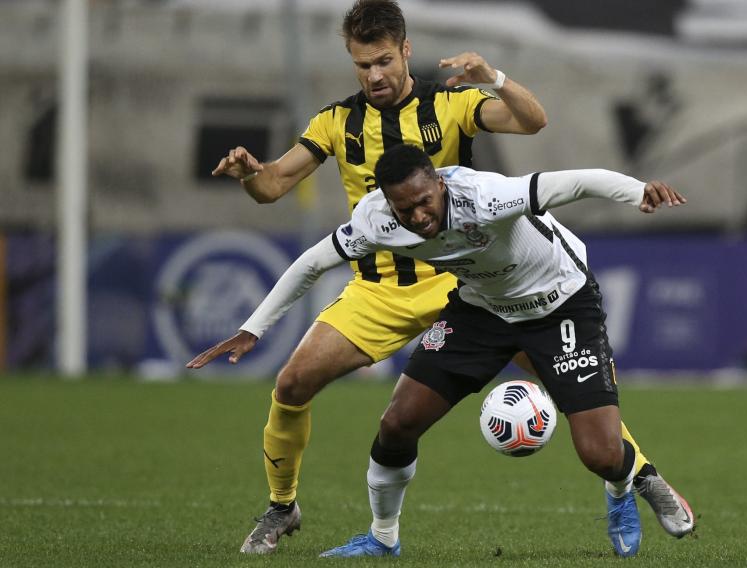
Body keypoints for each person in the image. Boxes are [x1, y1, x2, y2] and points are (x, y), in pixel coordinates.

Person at [199, 0, 691, 555]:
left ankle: (637, 474)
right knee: (293, 385)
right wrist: (249, 176)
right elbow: (272, 192)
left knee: (575, 399)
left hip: (464, 277)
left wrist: (496, 80)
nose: (375, 75)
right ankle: (283, 507)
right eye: (363, 65)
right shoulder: (336, 124)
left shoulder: (451, 106)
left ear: (406, 50)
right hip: (380, 288)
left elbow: (533, 122)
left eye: (383, 61)